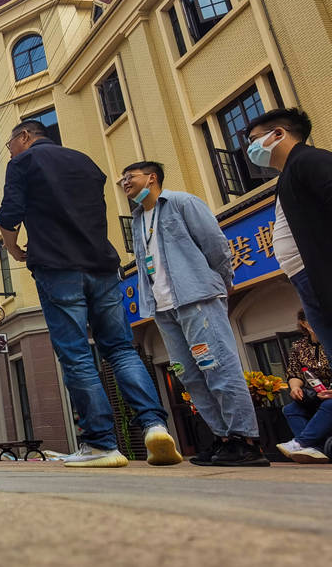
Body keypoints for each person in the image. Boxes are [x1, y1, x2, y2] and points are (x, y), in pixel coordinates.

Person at [0, 120, 180, 468]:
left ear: (24, 137)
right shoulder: (86, 162)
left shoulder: (23, 163)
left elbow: (10, 215)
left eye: (10, 145)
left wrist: (14, 249)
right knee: (121, 349)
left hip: (57, 267)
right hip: (102, 265)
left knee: (77, 354)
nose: (11, 151)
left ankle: (100, 444)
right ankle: (155, 426)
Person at [122, 161, 266, 466]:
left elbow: (215, 245)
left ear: (152, 178)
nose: (124, 182)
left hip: (196, 297)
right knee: (190, 375)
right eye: (122, 179)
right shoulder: (137, 219)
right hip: (163, 307)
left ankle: (246, 441)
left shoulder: (182, 202)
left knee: (218, 367)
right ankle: (222, 438)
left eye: (130, 177)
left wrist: (219, 281)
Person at [245, 108, 332, 359]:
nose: (250, 150)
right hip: (308, 279)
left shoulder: (308, 160)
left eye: (253, 140)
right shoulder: (288, 174)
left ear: (278, 134)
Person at [278, 310, 332, 463]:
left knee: (330, 404)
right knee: (290, 409)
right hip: (317, 393)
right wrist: (295, 388)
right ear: (304, 323)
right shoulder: (299, 346)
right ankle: (315, 450)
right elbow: (294, 373)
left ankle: (301, 443)